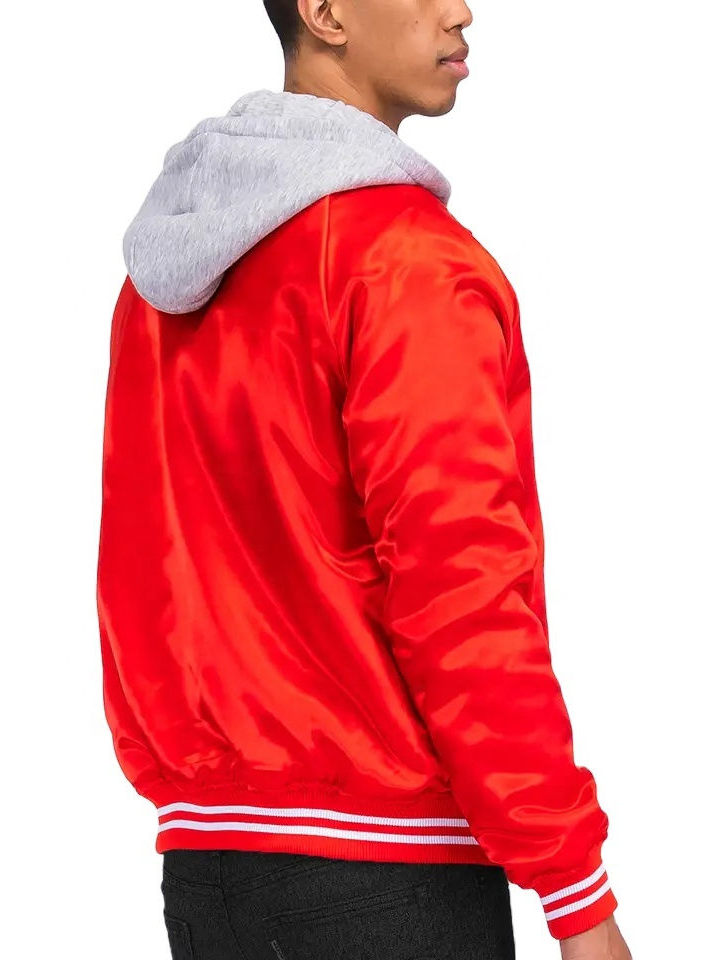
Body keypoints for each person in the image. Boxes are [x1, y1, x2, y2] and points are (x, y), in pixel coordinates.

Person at [96, 2, 632, 958]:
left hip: (208, 869)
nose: (461, 10)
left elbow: (147, 566)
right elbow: (460, 593)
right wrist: (576, 893)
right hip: (386, 876)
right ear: (326, 12)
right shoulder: (406, 263)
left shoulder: (158, 284)